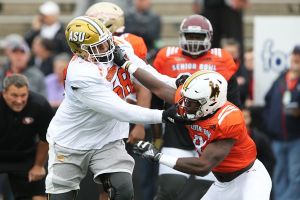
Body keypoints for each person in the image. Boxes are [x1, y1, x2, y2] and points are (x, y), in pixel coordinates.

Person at [45, 16, 188, 200]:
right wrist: (163, 115)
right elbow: (121, 110)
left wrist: (176, 82)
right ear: (81, 52)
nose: (107, 48)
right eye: (99, 47)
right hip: (71, 141)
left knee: (123, 189)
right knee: (62, 197)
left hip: (107, 137)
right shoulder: (80, 74)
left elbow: (146, 72)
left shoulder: (118, 44)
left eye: (106, 42)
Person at [111, 52, 272, 198]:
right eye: (184, 99)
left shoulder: (229, 119)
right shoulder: (194, 103)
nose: (183, 105)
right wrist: (126, 64)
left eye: (191, 103)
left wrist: (158, 156)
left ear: (210, 103)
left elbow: (203, 167)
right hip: (223, 183)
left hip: (249, 177)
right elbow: (158, 87)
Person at [150, 14, 241, 199]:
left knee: (206, 193)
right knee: (168, 190)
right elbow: (156, 99)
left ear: (209, 37)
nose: (193, 41)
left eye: (198, 37)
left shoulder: (222, 59)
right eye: (190, 36)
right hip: (178, 133)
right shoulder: (166, 57)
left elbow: (233, 103)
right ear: (181, 36)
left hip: (210, 136)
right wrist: (157, 134)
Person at [85, 3, 155, 200]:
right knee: (104, 179)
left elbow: (143, 84)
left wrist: (140, 124)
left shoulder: (130, 42)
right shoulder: (88, 46)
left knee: (129, 178)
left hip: (128, 113)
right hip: (101, 116)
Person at [0, 74, 54, 200]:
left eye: (23, 95)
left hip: (26, 156)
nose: (19, 100)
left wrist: (38, 166)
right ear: (4, 93)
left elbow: (45, 138)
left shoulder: (40, 104)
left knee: (40, 196)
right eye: (14, 95)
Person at [263, 44, 300, 200]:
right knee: (279, 175)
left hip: (296, 138)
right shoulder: (281, 77)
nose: (296, 59)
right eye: (294, 56)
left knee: (296, 177)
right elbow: (268, 100)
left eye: (299, 57)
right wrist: (269, 123)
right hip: (277, 138)